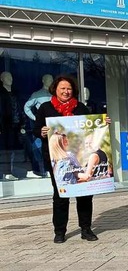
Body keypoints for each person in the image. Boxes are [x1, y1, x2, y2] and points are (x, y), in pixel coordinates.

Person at [33, 75, 100, 243]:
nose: (66, 91)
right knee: (60, 195)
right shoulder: (45, 108)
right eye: (62, 88)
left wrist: (102, 122)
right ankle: (60, 231)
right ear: (55, 89)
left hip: (78, 157)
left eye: (69, 88)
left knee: (84, 193)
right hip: (55, 159)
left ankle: (86, 228)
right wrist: (41, 131)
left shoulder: (81, 108)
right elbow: (35, 130)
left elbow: (91, 128)